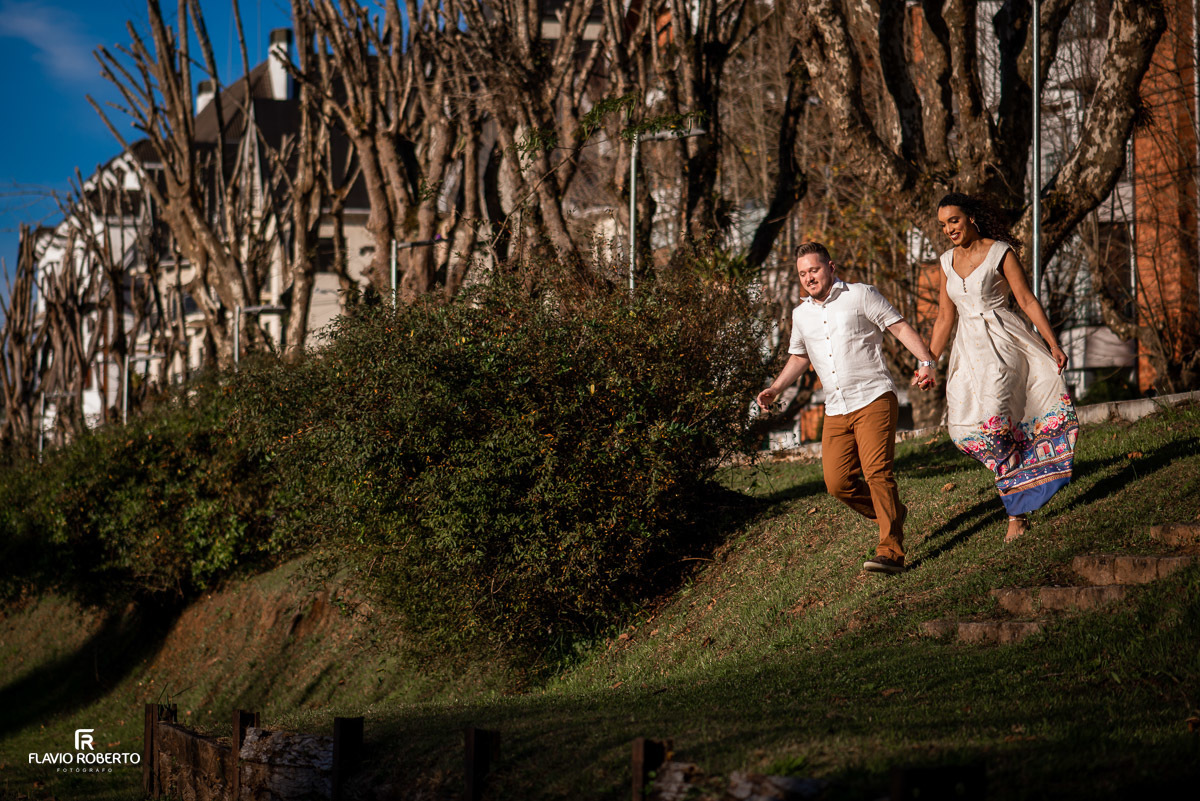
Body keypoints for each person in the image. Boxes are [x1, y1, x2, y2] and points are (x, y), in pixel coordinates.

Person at [757, 242, 938, 575]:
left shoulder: (861, 295)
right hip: (836, 407)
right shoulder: (801, 315)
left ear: (830, 267)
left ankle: (891, 551)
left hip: (874, 397)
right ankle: (893, 513)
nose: (808, 278)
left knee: (877, 473)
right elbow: (800, 356)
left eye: (813, 270)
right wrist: (776, 388)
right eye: (802, 273)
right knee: (837, 483)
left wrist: (926, 362)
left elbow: (898, 326)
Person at [930, 192, 1079, 543]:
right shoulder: (946, 262)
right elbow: (944, 317)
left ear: (970, 217)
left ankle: (1016, 514)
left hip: (1002, 344)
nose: (949, 229)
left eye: (954, 220)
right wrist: (928, 363)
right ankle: (1023, 478)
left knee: (996, 426)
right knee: (964, 430)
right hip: (967, 354)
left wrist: (1053, 343)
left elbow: (1026, 300)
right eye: (943, 225)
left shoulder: (1000, 252)